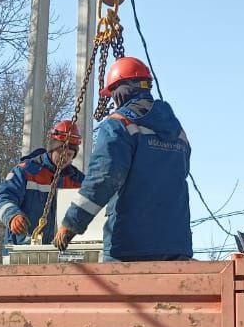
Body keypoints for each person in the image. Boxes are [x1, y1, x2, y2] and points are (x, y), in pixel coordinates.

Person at [54, 56, 193, 261]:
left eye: (112, 94)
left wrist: (70, 224)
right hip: (176, 246)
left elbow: (103, 178)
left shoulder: (119, 124)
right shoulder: (176, 129)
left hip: (130, 247)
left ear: (120, 90)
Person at [0, 119, 84, 245]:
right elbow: (3, 199)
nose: (64, 158)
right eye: (60, 152)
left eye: (68, 155)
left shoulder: (78, 181)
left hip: (61, 252)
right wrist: (13, 216)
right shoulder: (26, 171)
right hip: (22, 250)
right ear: (52, 149)